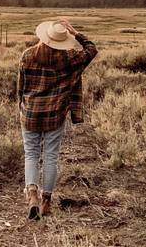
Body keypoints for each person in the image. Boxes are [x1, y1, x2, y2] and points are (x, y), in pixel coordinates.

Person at [17, 19, 98, 220]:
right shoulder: (70, 58)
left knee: (31, 154)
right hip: (55, 114)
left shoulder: (28, 55)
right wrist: (76, 32)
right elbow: (92, 49)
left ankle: (32, 196)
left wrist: (22, 107)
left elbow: (20, 88)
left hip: (31, 113)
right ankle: (46, 201)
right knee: (51, 156)